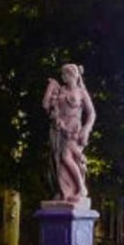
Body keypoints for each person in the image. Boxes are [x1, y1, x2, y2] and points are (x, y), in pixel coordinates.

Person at [42, 63, 96, 204]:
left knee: (66, 157)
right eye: (62, 74)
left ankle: (81, 188)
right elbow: (46, 105)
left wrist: (86, 129)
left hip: (73, 130)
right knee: (59, 160)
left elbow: (91, 113)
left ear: (73, 75)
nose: (63, 77)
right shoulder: (60, 90)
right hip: (59, 129)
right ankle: (64, 191)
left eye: (65, 74)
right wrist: (50, 87)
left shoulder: (81, 92)